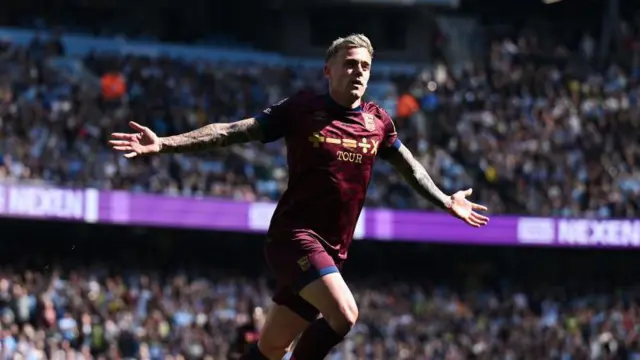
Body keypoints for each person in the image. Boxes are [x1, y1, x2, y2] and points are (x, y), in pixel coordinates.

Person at [109, 33, 490, 360]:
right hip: (294, 238)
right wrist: (164, 144)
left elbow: (408, 165)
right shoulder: (302, 110)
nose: (358, 72)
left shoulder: (378, 122)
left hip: (333, 250)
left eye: (365, 67)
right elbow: (231, 131)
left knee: (272, 349)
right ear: (328, 70)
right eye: (350, 64)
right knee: (345, 314)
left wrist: (444, 199)